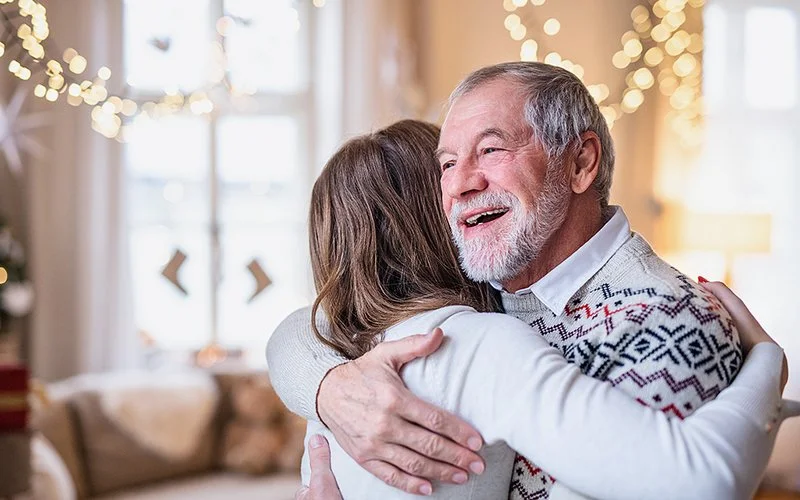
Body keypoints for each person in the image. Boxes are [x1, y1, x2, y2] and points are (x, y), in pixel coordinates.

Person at [268, 63, 790, 498]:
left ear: (581, 163)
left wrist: (767, 364)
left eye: (491, 150)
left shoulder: (665, 321)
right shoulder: (491, 295)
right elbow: (308, 324)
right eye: (447, 164)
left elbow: (697, 481)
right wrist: (328, 387)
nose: (462, 184)